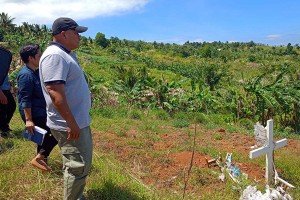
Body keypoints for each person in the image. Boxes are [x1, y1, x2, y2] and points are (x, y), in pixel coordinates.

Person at [39, 17, 92, 200]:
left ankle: (77, 195)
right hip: (69, 124)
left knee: (77, 164)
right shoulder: (55, 56)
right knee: (77, 166)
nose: (79, 36)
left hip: (76, 121)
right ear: (63, 34)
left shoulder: (66, 53)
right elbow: (54, 92)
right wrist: (71, 123)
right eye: (76, 32)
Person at [17, 43, 58, 171]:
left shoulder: (35, 72)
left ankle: (41, 161)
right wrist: (29, 120)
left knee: (43, 138)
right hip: (34, 113)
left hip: (40, 110)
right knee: (57, 132)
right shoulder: (26, 75)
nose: (41, 57)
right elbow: (26, 99)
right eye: (39, 55)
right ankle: (40, 157)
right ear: (31, 58)